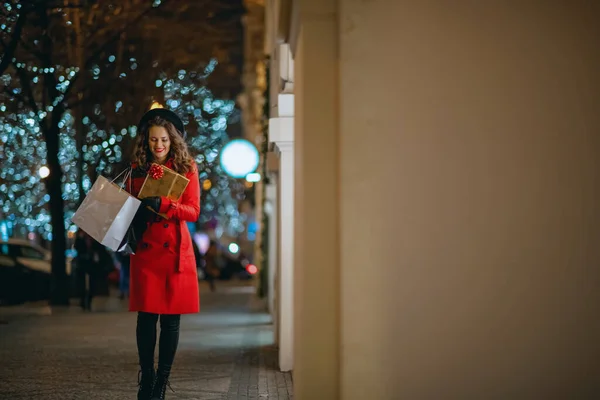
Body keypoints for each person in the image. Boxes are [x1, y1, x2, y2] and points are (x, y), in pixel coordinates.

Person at [126, 108, 200, 400]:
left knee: (170, 320)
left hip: (174, 254)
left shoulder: (187, 167)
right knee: (146, 318)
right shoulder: (135, 168)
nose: (158, 145)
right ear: (146, 141)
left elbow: (193, 211)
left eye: (164, 140)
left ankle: (160, 385)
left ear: (173, 141)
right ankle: (147, 379)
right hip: (146, 252)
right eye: (154, 140)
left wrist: (165, 204)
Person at [74, 229, 113, 311]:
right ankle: (83, 301)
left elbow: (100, 250)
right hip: (82, 265)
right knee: (82, 284)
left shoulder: (94, 240)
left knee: (92, 284)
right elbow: (77, 247)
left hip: (91, 266)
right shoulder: (80, 239)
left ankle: (89, 301)